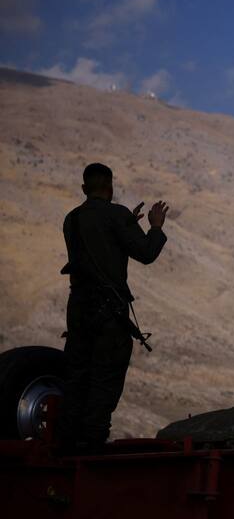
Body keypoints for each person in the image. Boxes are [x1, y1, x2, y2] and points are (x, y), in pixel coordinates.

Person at [59, 163, 169, 451]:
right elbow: (146, 253)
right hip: (109, 316)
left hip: (78, 313)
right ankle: (91, 449)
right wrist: (154, 227)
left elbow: (94, 250)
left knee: (76, 379)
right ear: (110, 187)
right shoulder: (116, 215)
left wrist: (125, 225)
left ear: (84, 188)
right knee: (104, 382)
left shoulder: (71, 219)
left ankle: (67, 445)